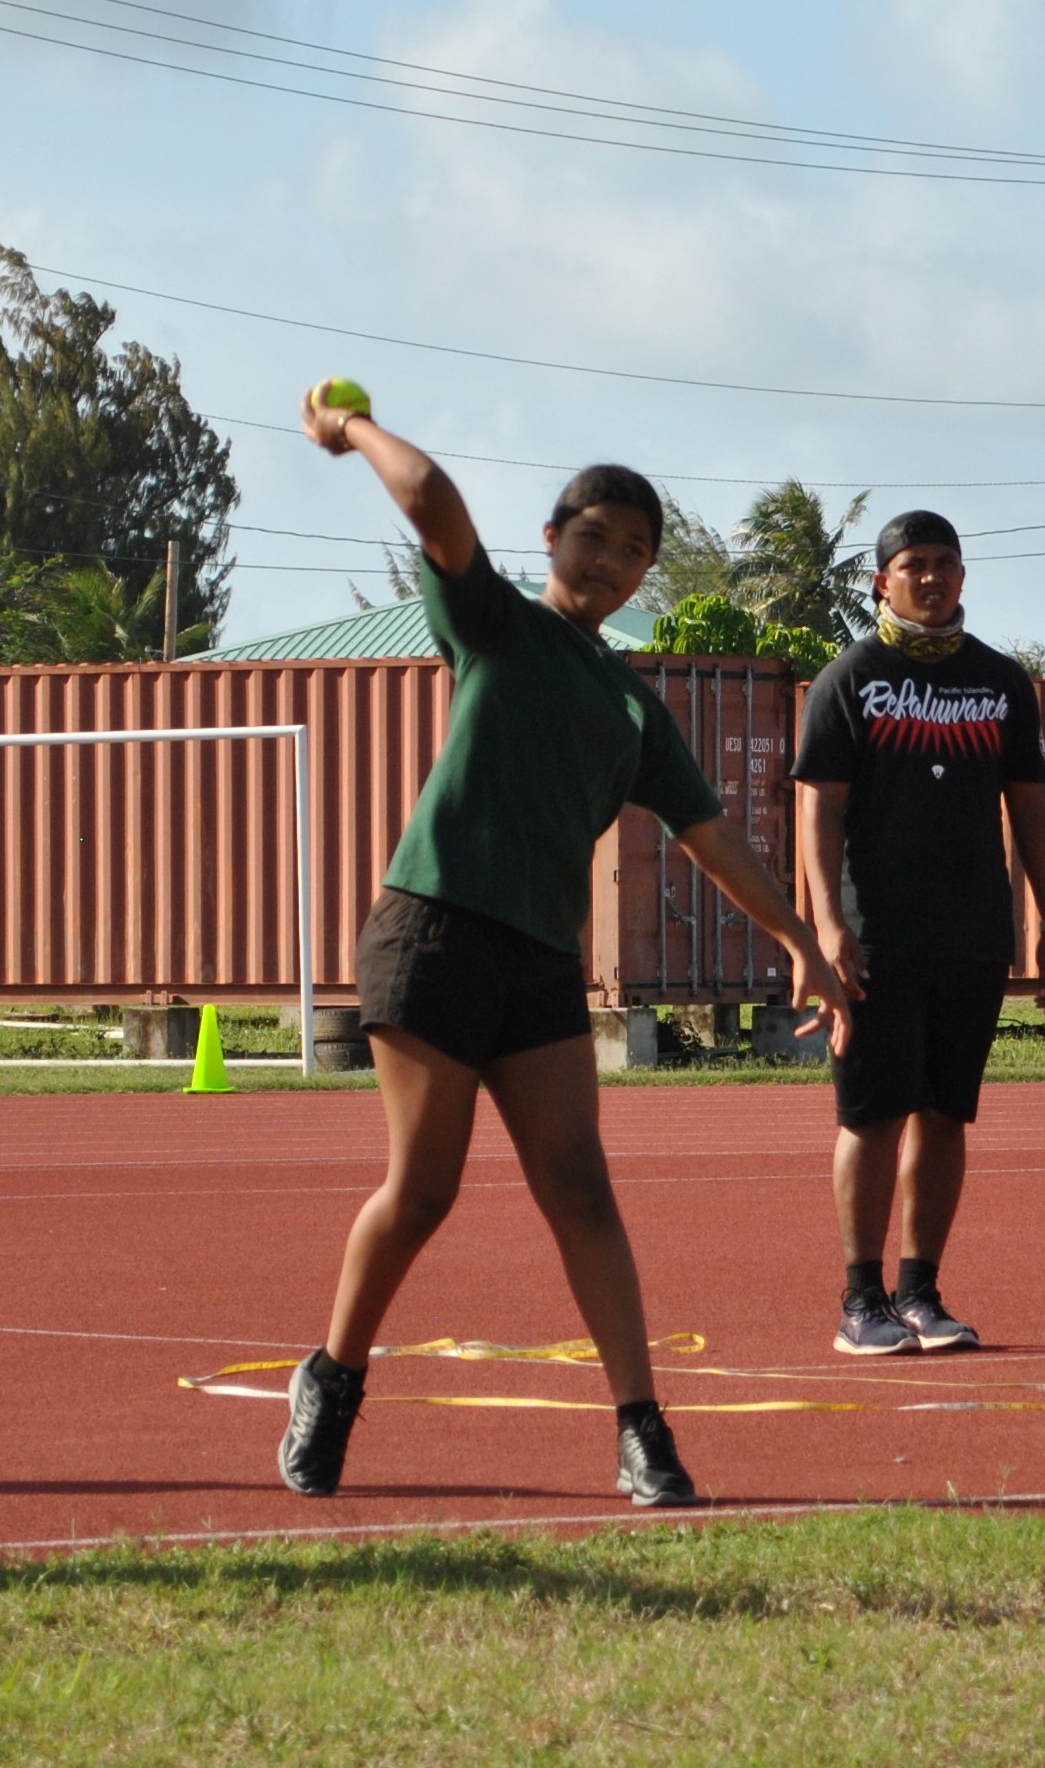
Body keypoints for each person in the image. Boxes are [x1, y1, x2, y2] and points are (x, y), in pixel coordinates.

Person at [280, 386, 849, 1509]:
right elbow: (433, 500)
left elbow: (711, 836)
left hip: (539, 957)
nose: (610, 564)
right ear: (553, 538)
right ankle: (334, 1375)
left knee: (582, 1192)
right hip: (433, 930)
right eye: (593, 538)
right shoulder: (494, 621)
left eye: (635, 552)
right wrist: (349, 434)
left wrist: (800, 942)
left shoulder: (630, 704)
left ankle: (642, 1431)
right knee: (425, 1189)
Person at [795, 510, 1045, 1356]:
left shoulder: (1001, 682)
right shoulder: (850, 677)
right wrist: (828, 927)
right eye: (913, 564)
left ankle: (919, 1292)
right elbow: (820, 808)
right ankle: (859, 1300)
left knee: (946, 1114)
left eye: (946, 563)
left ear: (963, 577)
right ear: (882, 580)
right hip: (877, 935)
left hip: (973, 933)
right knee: (873, 1116)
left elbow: (1030, 805)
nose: (932, 577)